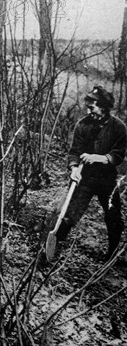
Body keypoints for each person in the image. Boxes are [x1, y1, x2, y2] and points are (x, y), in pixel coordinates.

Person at [54, 85, 127, 261]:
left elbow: (118, 154)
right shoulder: (83, 125)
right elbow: (74, 151)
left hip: (107, 180)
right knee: (70, 214)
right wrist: (73, 168)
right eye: (88, 106)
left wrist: (99, 158)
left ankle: (113, 254)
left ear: (103, 107)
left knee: (113, 217)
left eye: (92, 107)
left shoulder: (118, 127)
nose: (89, 110)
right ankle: (55, 247)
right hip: (85, 178)